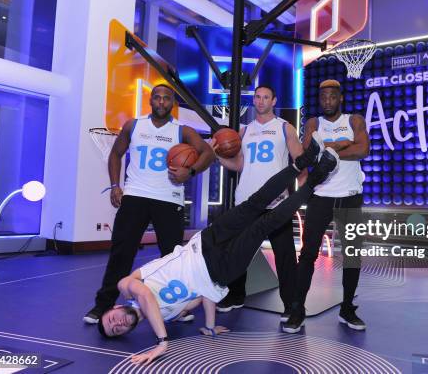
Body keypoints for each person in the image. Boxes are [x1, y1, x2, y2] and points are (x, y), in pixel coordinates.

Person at [98, 134, 336, 366]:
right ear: (126, 332)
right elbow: (202, 293)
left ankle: (303, 162)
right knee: (266, 224)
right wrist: (210, 325)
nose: (117, 323)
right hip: (221, 272)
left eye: (111, 320)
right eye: (116, 330)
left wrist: (162, 342)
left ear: (114, 308)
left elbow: (146, 296)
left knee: (255, 202)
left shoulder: (126, 287)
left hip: (203, 244)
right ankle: (318, 176)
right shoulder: (168, 316)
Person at [83, 84, 215, 324]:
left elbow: (208, 153)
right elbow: (115, 154)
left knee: (173, 257)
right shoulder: (134, 125)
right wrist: (115, 185)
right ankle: (103, 305)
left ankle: (179, 308)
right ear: (151, 100)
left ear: (172, 103)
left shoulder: (182, 131)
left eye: (166, 98)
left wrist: (191, 171)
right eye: (157, 97)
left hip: (169, 198)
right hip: (135, 196)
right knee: (121, 253)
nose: (161, 102)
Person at [283, 79, 370, 334]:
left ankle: (347, 309)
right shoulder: (313, 123)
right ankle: (298, 309)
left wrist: (329, 148)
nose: (328, 101)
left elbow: (363, 149)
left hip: (350, 196)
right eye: (324, 97)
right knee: (308, 253)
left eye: (333, 97)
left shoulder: (354, 120)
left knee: (352, 255)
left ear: (340, 98)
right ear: (320, 99)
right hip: (320, 195)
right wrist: (344, 145)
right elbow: (309, 155)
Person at [210, 84, 303, 321]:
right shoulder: (244, 131)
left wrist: (305, 191)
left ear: (274, 101)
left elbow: (300, 161)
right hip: (247, 202)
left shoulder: (285, 128)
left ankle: (292, 306)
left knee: (285, 257)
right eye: (257, 97)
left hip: (276, 203)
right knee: (236, 253)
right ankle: (236, 295)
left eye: (265, 97)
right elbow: (240, 165)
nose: (261, 101)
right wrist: (217, 155)